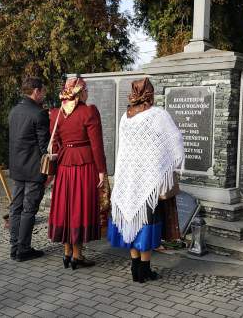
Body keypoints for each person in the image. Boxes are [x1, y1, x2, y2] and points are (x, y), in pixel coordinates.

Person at [107, 78, 184, 283]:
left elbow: (123, 149)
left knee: (132, 220)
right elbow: (175, 140)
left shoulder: (126, 117)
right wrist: (167, 162)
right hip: (149, 180)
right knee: (147, 221)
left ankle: (135, 268)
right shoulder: (158, 115)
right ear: (150, 93)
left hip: (129, 177)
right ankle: (145, 270)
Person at [48, 77, 107, 270]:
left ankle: (67, 253)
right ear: (80, 93)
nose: (88, 93)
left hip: (65, 165)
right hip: (85, 164)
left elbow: (55, 143)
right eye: (86, 90)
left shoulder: (56, 114)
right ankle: (77, 255)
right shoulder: (89, 112)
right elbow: (97, 145)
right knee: (79, 208)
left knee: (66, 207)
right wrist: (101, 171)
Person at [8, 76, 50, 262]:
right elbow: (44, 148)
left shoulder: (14, 111)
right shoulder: (39, 113)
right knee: (28, 210)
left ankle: (15, 247)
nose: (44, 94)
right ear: (36, 91)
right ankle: (23, 249)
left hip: (17, 169)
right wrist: (49, 169)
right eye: (43, 91)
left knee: (16, 208)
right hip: (34, 170)